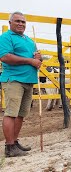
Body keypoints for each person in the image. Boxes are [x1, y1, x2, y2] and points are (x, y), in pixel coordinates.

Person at [0, 11, 42, 157]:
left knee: (21, 114)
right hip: (14, 79)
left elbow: (36, 58)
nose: (20, 24)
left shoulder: (29, 40)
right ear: (10, 23)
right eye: (17, 21)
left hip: (28, 81)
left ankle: (15, 142)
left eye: (23, 22)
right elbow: (5, 57)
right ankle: (9, 146)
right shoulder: (6, 37)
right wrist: (31, 61)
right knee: (11, 113)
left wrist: (38, 58)